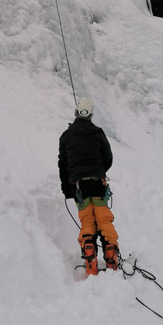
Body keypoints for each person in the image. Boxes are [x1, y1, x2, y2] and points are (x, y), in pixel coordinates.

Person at [58, 97, 119, 276]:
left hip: (79, 186)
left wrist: (67, 188)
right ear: (91, 114)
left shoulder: (66, 136)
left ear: (76, 113)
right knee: (103, 220)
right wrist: (99, 171)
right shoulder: (98, 133)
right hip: (98, 183)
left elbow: (63, 165)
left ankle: (90, 261)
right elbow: (108, 157)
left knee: (87, 221)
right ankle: (111, 258)